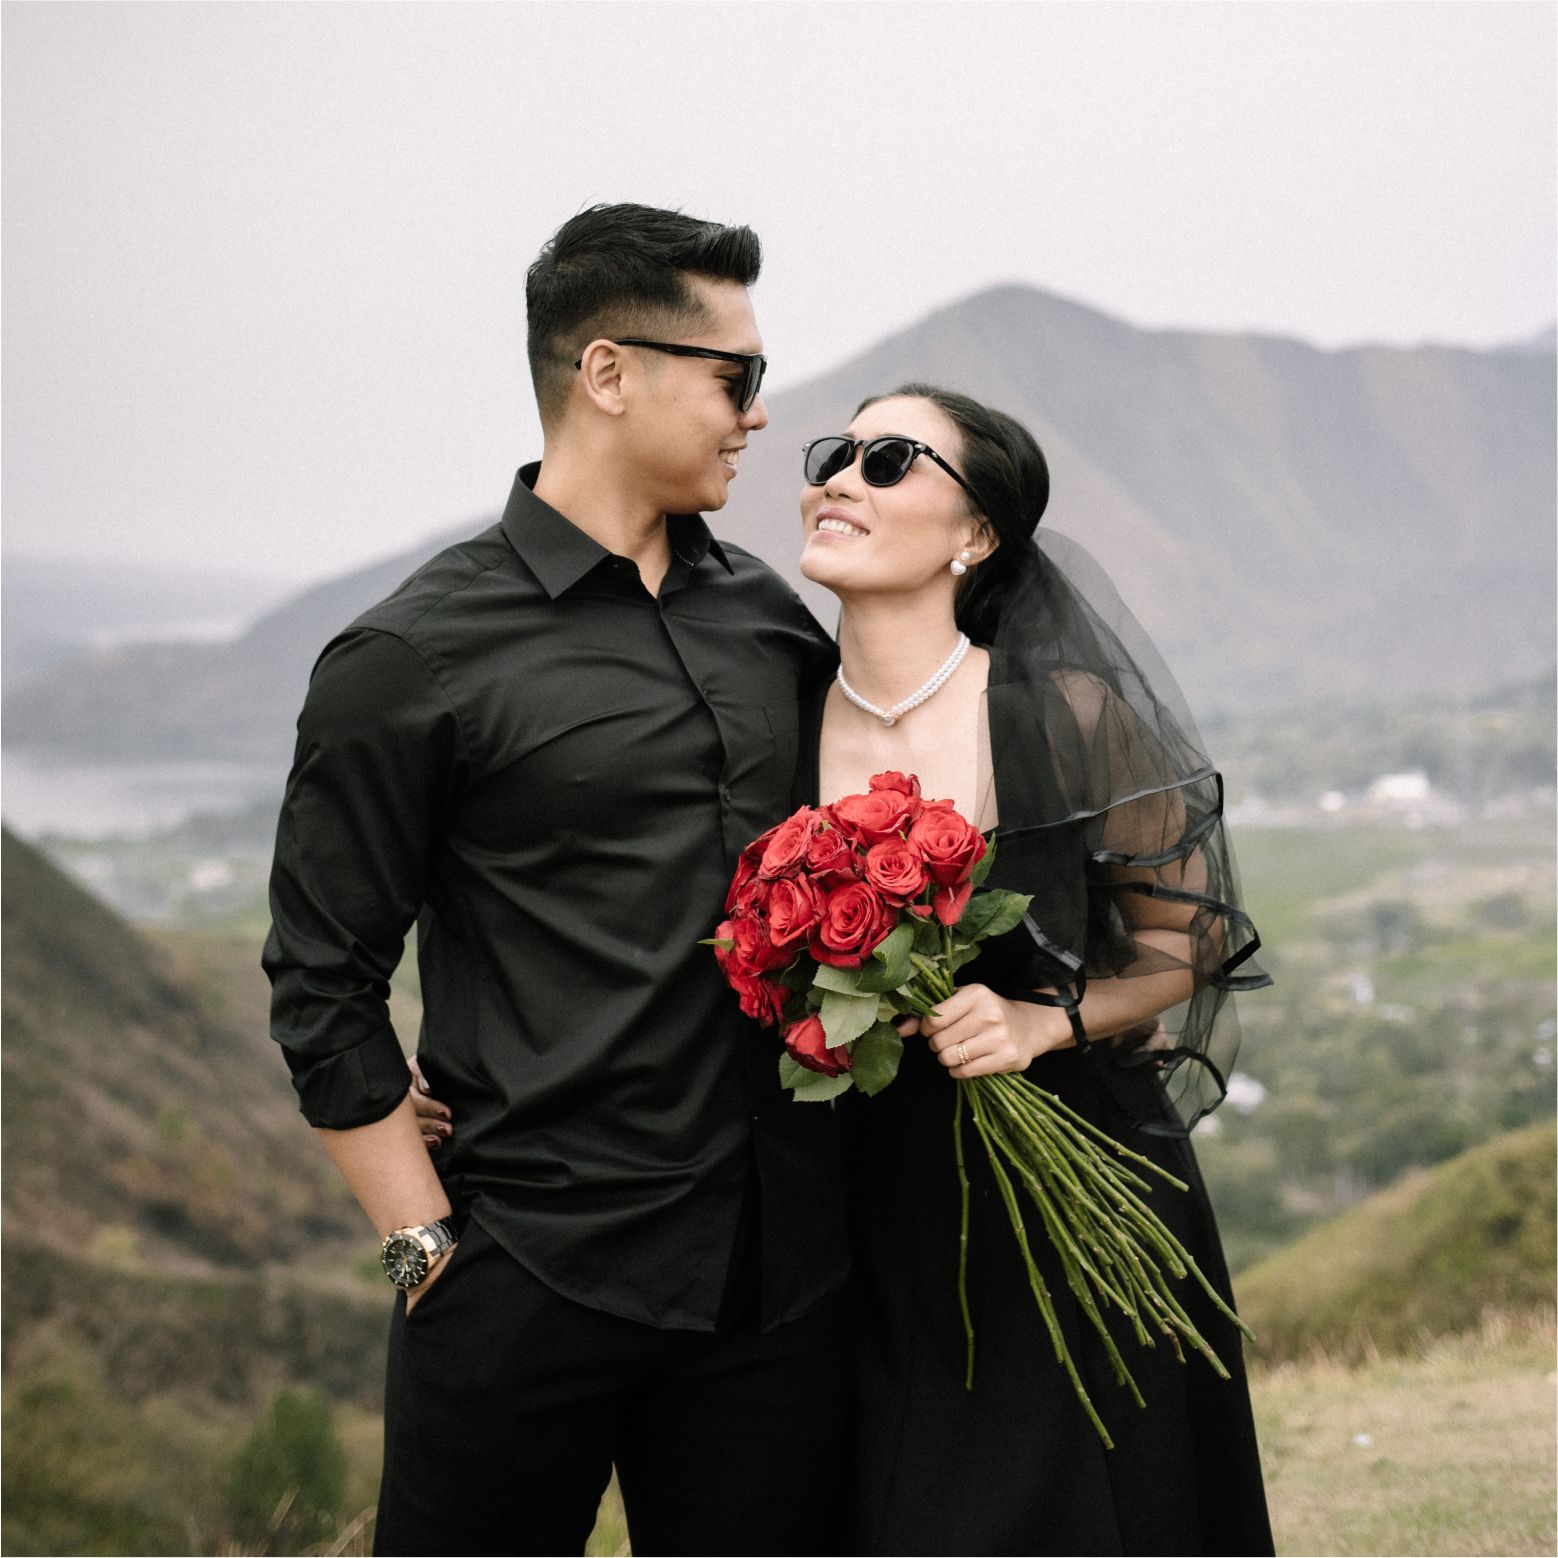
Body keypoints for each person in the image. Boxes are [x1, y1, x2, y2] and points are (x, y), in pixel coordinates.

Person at [262, 204, 850, 1558]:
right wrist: (422, 1249)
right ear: (607, 373)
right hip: (524, 1277)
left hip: (773, 1283)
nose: (758, 412)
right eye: (736, 376)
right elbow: (320, 977)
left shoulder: (769, 619)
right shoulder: (409, 657)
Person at [795, 384, 1275, 1556]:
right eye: (836, 454)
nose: (841, 477)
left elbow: (1185, 939)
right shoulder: (770, 720)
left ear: (975, 533)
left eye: (890, 459)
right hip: (857, 1213)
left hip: (1067, 1199)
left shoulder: (1067, 713)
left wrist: (1042, 1021)